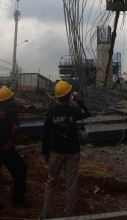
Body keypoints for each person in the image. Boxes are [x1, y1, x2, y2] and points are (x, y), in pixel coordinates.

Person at [38, 81, 90, 220]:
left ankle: (44, 213)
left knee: (51, 182)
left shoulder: (51, 112)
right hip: (72, 151)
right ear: (69, 96)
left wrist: (45, 152)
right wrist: (78, 100)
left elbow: (46, 133)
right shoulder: (73, 111)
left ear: (57, 96)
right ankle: (68, 216)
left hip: (56, 151)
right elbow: (86, 113)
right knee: (70, 184)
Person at [0, 86, 31, 217]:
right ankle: (18, 199)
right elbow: (15, 127)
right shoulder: (11, 111)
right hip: (5, 148)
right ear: (8, 99)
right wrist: (11, 141)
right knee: (20, 170)